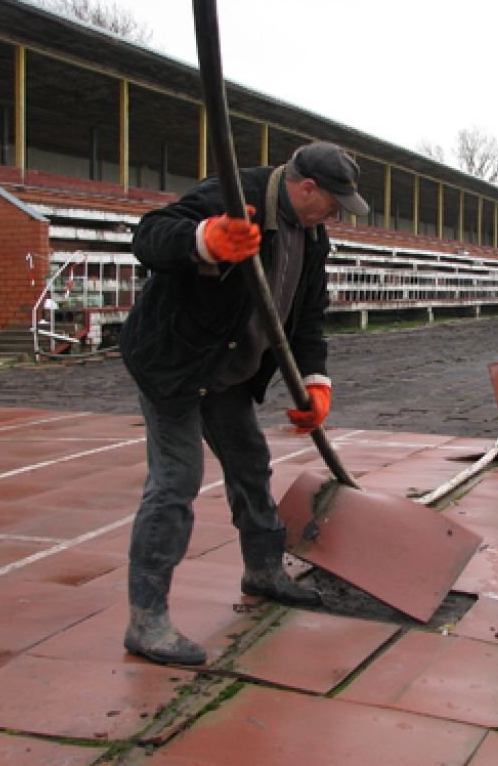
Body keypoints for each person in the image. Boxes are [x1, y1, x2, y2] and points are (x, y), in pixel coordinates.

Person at [118, 142, 369, 666]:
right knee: (176, 480)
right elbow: (149, 235)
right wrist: (203, 240)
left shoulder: (313, 234)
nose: (336, 214)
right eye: (333, 203)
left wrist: (316, 380)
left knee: (251, 463)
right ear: (307, 188)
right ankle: (147, 620)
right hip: (175, 362)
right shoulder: (234, 196)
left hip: (228, 369)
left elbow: (308, 318)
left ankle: (263, 570)